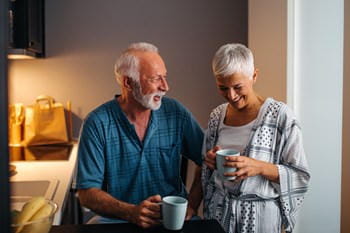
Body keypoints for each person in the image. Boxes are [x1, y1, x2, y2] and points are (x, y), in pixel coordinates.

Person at [76, 42, 203, 228]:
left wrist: (192, 204)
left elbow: (206, 160)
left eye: (164, 77)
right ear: (128, 82)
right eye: (155, 79)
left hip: (170, 219)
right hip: (118, 219)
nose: (165, 86)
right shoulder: (97, 123)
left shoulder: (176, 113)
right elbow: (87, 193)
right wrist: (130, 212)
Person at [201, 43, 310, 233]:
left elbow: (300, 176)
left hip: (260, 220)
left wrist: (258, 167)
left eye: (237, 87)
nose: (231, 96)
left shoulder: (281, 117)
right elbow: (205, 171)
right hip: (218, 217)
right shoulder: (216, 116)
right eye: (223, 88)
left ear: (254, 76)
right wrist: (210, 160)